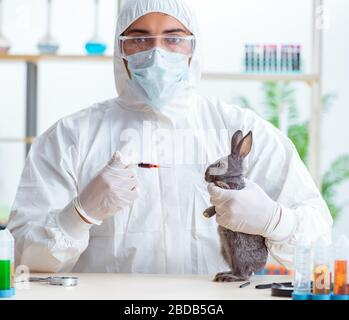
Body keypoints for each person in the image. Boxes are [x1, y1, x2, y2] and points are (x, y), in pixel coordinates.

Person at [8, 0, 332, 274]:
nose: (157, 53)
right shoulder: (69, 138)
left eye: (173, 39)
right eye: (139, 39)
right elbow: (24, 260)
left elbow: (320, 243)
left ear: (194, 47)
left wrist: (276, 221)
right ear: (121, 49)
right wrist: (78, 215)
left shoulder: (243, 129)